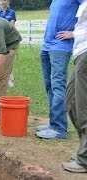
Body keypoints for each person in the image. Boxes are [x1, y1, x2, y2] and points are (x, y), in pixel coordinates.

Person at [35, 0, 84, 139]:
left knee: (58, 86)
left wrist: (74, 33)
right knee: (49, 85)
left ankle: (59, 128)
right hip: (47, 45)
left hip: (61, 47)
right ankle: (53, 123)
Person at [62, 0, 87, 173]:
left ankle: (84, 159)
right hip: (79, 54)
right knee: (71, 102)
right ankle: (83, 149)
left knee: (83, 108)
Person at [0, 0, 16, 88]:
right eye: (1, 0)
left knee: (8, 59)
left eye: (5, 0)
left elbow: (11, 26)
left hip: (8, 39)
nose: (3, 2)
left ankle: (10, 79)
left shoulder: (12, 12)